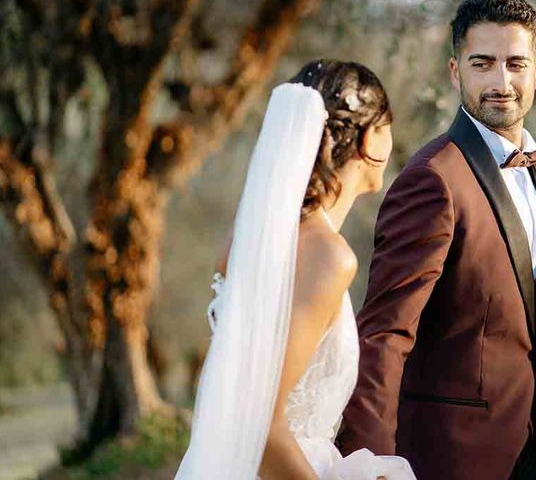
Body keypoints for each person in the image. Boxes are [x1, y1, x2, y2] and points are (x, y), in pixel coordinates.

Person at [337, 0, 536, 479]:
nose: (501, 82)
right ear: (456, 72)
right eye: (482, 63)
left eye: (515, 64)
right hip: (453, 453)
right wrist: (367, 464)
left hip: (529, 437)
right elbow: (385, 332)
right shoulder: (433, 179)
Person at [175, 60, 415, 480]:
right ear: (369, 140)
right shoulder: (328, 257)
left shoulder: (251, 237)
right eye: (387, 125)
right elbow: (262, 425)